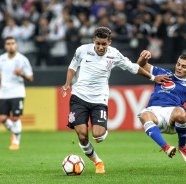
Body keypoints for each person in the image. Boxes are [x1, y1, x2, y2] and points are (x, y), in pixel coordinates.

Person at [61, 27, 170, 174]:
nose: (100, 47)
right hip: (79, 96)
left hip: (99, 99)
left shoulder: (114, 54)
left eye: (104, 44)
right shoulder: (82, 50)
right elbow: (72, 66)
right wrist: (67, 83)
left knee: (98, 135)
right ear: (94, 40)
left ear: (109, 43)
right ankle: (97, 162)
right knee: (81, 133)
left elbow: (132, 67)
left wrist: (152, 77)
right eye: (98, 43)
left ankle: (102, 131)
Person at [0, 36, 33, 150]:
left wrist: (21, 74)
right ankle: (16, 130)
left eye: (12, 43)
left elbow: (30, 77)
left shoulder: (23, 59)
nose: (10, 45)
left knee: (16, 117)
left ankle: (15, 141)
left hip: (17, 92)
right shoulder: (0, 59)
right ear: (5, 46)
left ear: (16, 45)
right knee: (2, 118)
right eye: (8, 43)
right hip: (4, 92)